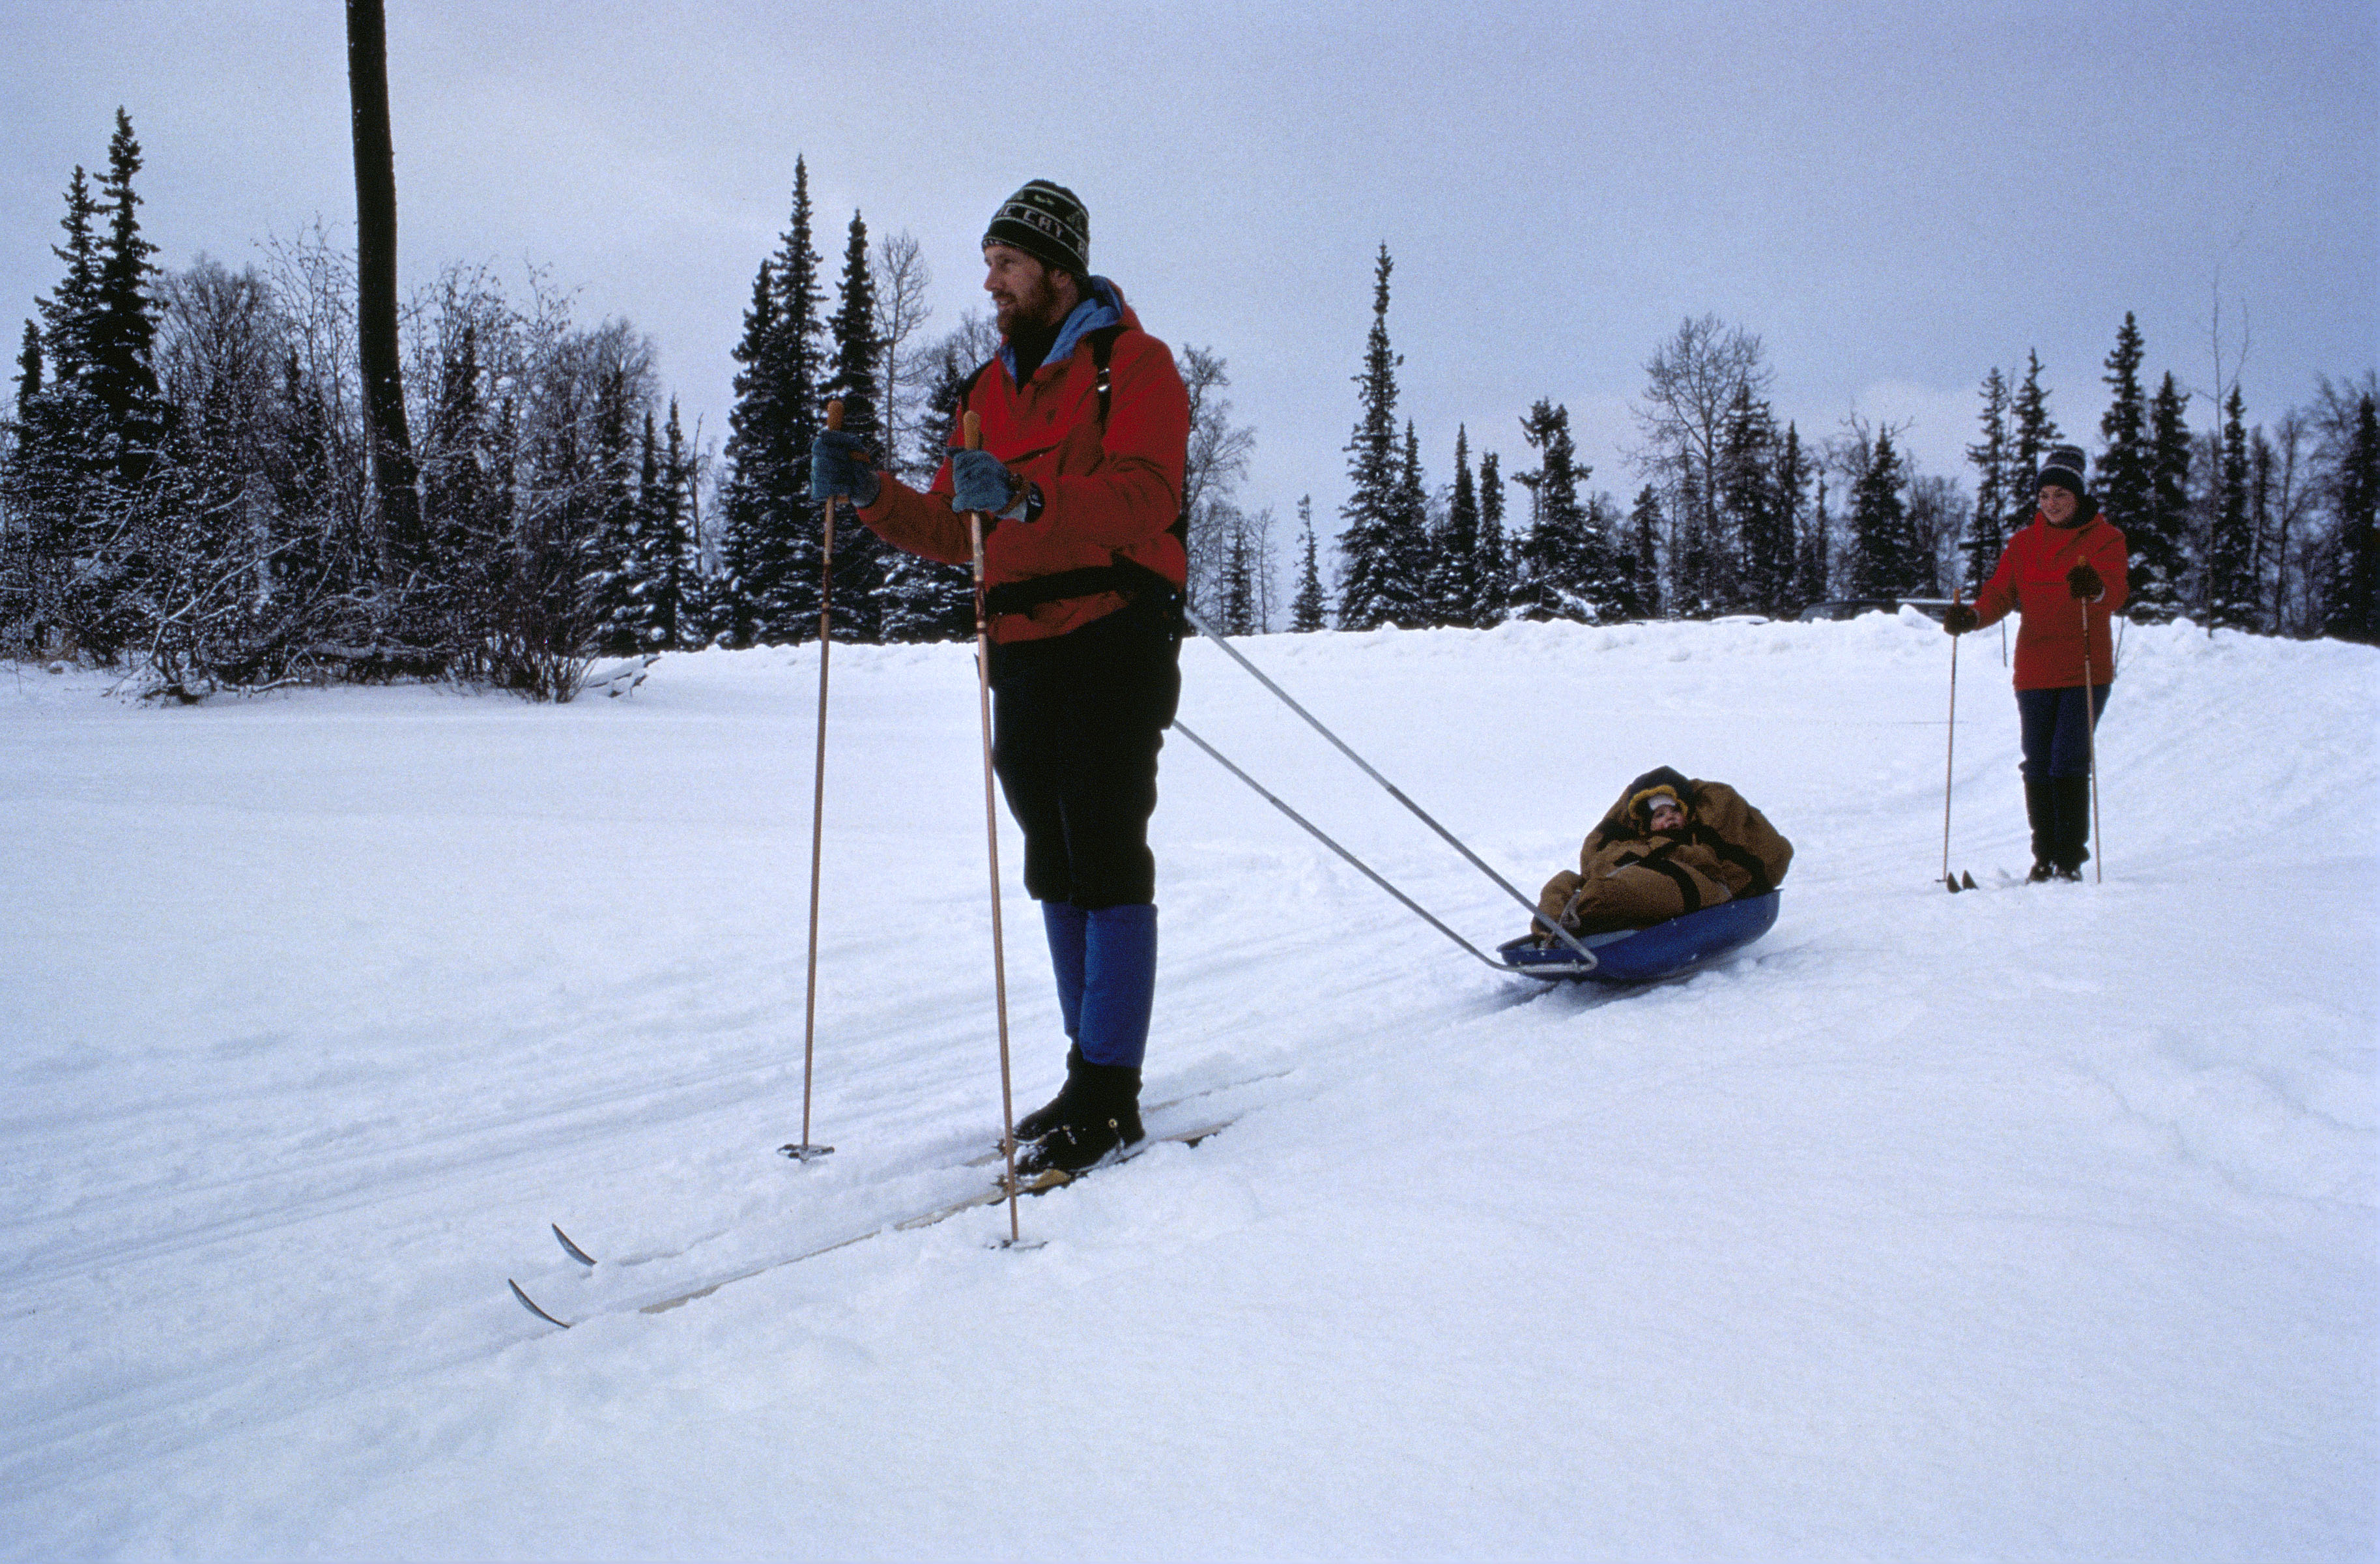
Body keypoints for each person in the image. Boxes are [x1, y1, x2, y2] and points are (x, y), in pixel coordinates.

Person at [809, 181, 1191, 1174]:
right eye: (989, 264)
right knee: (1051, 859)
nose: (991, 282)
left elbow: (1147, 497)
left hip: (1115, 627)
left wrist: (1026, 494)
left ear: (1060, 272)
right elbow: (951, 528)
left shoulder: (1135, 368)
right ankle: (1084, 1075)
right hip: (1018, 641)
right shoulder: (984, 389)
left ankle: (1108, 1091)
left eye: (1008, 265)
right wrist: (872, 494)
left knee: (1105, 847)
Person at [1942, 443, 2128, 881]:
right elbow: (2000, 593)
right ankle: (2044, 857)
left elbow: (2115, 592)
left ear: (2077, 497)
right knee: (2038, 761)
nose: (2050, 504)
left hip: (2084, 668)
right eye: (2044, 496)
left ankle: (2069, 860)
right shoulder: (2023, 544)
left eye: (2060, 496)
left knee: (2068, 759)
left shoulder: (2105, 539)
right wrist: (1970, 616)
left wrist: (2094, 587)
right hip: (2035, 669)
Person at [1532, 767, 1792, 942]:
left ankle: (1579, 920)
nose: (1669, 819)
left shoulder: (1695, 837)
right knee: (1564, 881)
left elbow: (1710, 864)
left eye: (1674, 812)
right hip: (1629, 880)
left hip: (1696, 883)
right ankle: (1551, 931)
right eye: (1659, 815)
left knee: (1613, 893)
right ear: (1647, 824)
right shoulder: (1638, 840)